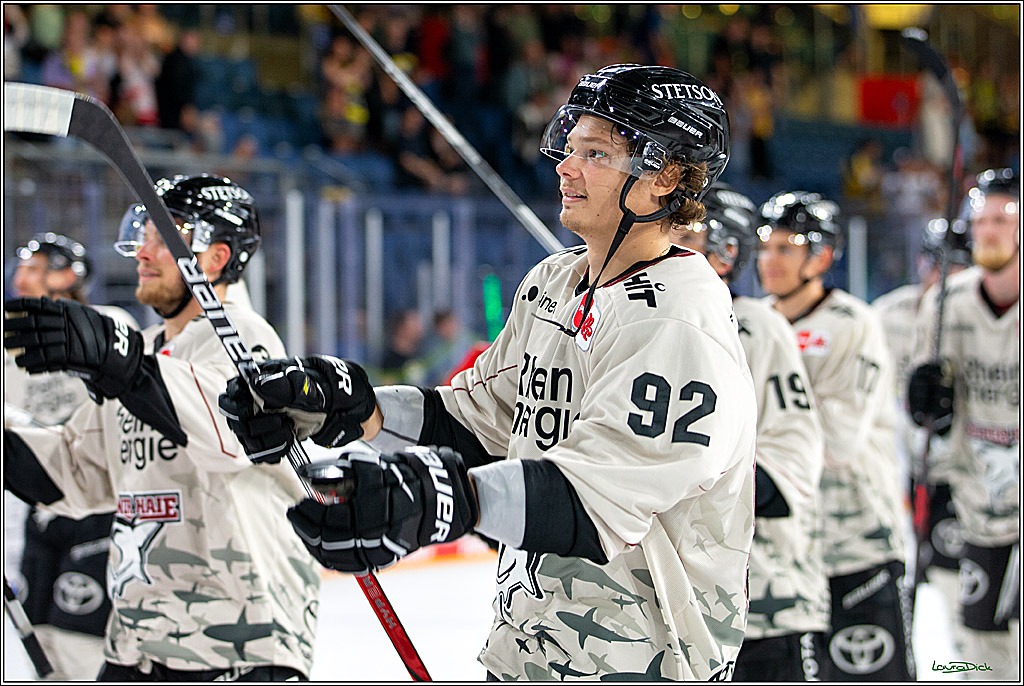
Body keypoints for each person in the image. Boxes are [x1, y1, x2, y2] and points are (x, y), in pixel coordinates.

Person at [221, 64, 757, 680]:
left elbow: (594, 500)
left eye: (596, 152)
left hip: (639, 662)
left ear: (665, 175)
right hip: (531, 652)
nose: (565, 165)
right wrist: (349, 408)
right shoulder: (554, 282)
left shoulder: (680, 322)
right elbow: (478, 422)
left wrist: (441, 498)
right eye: (569, 144)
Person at [3, 174, 320, 681]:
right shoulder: (146, 351)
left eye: (165, 235)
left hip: (236, 643)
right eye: (141, 233)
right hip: (139, 644)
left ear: (216, 258)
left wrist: (119, 359)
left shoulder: (246, 338)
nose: (142, 252)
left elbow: (226, 429)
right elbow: (73, 469)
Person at [756, 190, 915, 680]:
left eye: (787, 247)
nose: (770, 259)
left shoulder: (854, 325)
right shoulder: (753, 323)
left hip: (858, 545)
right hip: (789, 558)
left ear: (820, 256)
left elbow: (836, 443)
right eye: (766, 245)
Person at [672, 185, 829, 680]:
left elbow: (791, 474)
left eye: (686, 232)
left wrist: (678, 478)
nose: (666, 241)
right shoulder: (652, 323)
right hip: (682, 607)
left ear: (726, 250)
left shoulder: (759, 328)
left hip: (767, 600)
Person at [5, 233, 139, 681]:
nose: (21, 277)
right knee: (38, 638)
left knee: (81, 643)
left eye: (36, 267)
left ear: (68, 274)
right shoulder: (8, 338)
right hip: (39, 507)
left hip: (99, 503)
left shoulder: (106, 324)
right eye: (21, 267)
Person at [907, 168, 1019, 681]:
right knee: (979, 651)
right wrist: (926, 406)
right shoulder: (945, 302)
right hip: (980, 512)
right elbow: (923, 423)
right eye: (979, 221)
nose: (988, 231)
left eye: (1001, 218)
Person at [872, 218, 972, 653]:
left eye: (958, 267)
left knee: (958, 586)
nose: (945, 278)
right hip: (902, 468)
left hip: (963, 471)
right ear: (921, 263)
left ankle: (968, 664)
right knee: (907, 583)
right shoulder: (887, 315)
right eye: (938, 265)